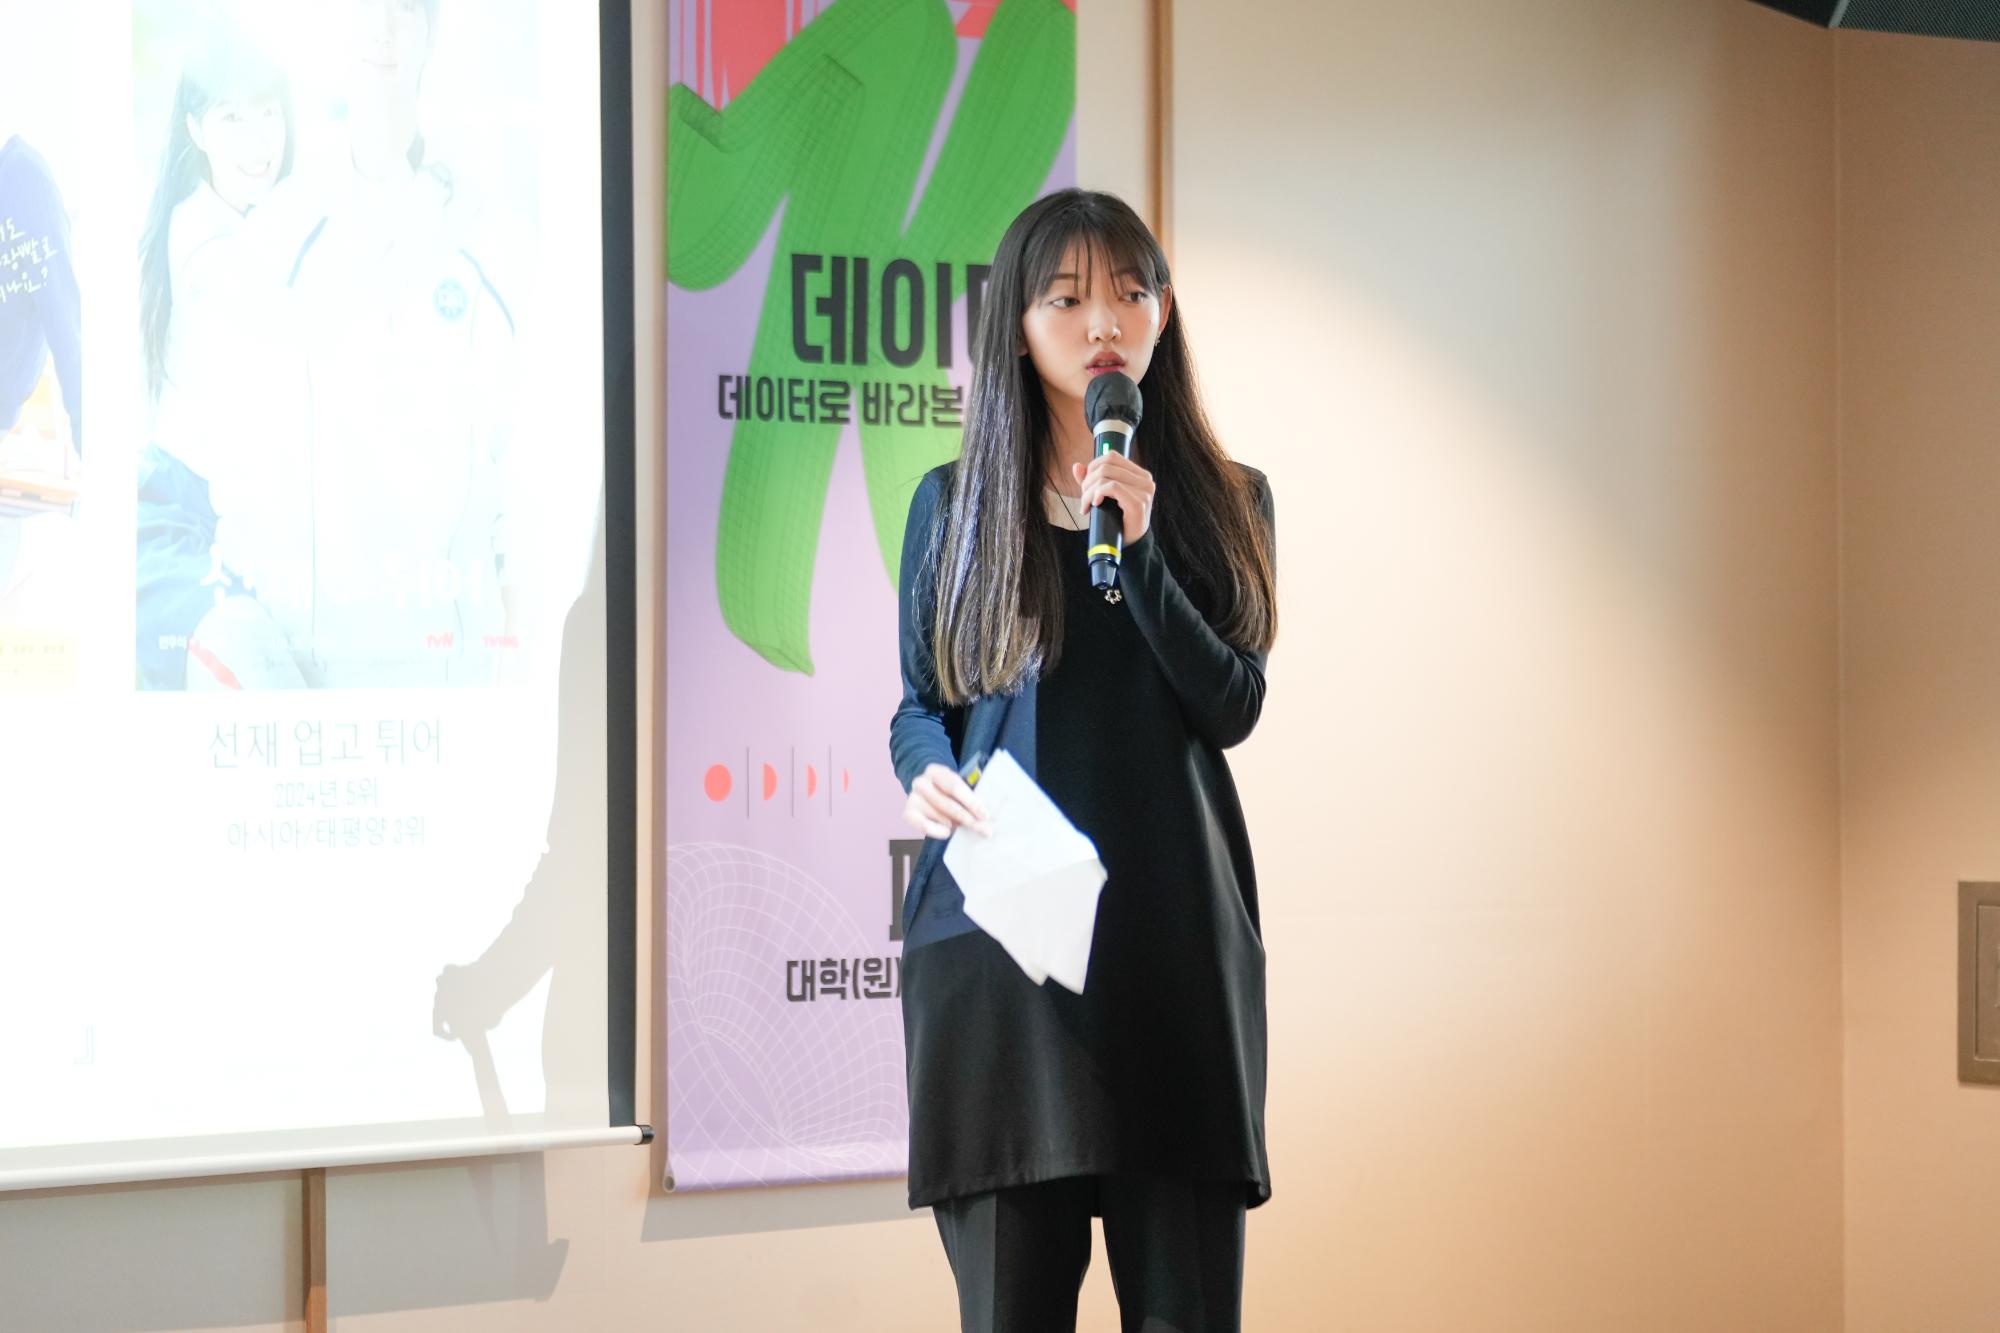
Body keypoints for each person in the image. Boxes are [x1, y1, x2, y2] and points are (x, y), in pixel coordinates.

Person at [890, 188, 1279, 1333]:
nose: (1102, 319)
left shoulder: (1226, 502)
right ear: (1016, 329)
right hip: (1004, 960)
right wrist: (921, 767)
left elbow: (1231, 704)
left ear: (1162, 313)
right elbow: (921, 704)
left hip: (1170, 956)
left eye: (1129, 291)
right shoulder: (955, 506)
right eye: (1064, 299)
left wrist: (1140, 552)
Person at [133, 21, 305, 690]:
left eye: (269, 113)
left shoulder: (265, 223)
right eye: (232, 117)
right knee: (258, 670)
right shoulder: (206, 244)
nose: (258, 142)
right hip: (180, 527)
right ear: (196, 130)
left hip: (232, 524)